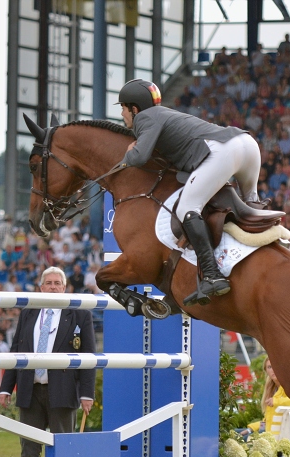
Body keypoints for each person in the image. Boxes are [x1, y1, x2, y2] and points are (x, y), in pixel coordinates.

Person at [116, 78, 279, 304]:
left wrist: (127, 154)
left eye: (123, 108)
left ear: (134, 108)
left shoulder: (145, 117)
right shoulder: (166, 115)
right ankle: (272, 251)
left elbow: (140, 157)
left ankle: (211, 275)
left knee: (187, 208)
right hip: (247, 144)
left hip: (223, 152)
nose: (122, 114)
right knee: (250, 206)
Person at [0, 267, 97, 457]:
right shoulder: (28, 313)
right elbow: (16, 351)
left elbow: (89, 357)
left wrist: (86, 394)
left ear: (64, 288)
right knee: (29, 452)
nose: (53, 287)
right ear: (41, 287)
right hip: (30, 391)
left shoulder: (80, 315)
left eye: (57, 283)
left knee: (63, 449)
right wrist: (6, 388)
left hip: (63, 390)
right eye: (49, 283)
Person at [238, 358, 290, 439]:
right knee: (235, 433)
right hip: (271, 432)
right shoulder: (273, 390)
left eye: (276, 366)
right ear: (266, 371)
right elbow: (267, 422)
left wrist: (276, 401)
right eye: (269, 367)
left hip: (281, 437)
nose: (273, 369)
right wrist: (250, 429)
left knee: (236, 439)